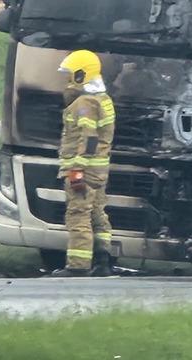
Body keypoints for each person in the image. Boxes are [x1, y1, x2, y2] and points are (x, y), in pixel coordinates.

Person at [52, 50, 116, 277]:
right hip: (99, 171)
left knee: (78, 215)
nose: (68, 80)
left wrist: (77, 168)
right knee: (97, 214)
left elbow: (89, 138)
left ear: (81, 75)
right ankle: (103, 261)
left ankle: (77, 266)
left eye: (70, 75)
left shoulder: (85, 103)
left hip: (84, 171)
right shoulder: (103, 100)